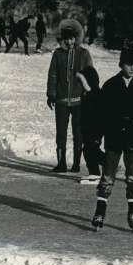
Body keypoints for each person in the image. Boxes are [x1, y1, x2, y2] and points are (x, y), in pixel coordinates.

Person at [92, 49, 133, 230]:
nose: (132, 68)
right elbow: (100, 114)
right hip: (113, 137)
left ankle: (132, 213)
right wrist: (96, 137)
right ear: (121, 64)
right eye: (129, 64)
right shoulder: (111, 85)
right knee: (107, 176)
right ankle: (100, 211)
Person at [45, 22, 93, 172]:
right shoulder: (58, 54)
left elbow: (90, 76)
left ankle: (76, 163)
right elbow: (52, 75)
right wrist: (51, 94)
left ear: (76, 38)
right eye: (66, 39)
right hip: (61, 101)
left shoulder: (84, 54)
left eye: (72, 38)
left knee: (78, 133)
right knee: (61, 133)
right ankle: (61, 163)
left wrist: (88, 94)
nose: (69, 42)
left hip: (79, 101)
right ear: (62, 39)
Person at [77, 65, 104, 181]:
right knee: (91, 149)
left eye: (82, 82)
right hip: (88, 128)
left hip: (95, 129)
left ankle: (96, 172)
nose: (80, 85)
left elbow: (98, 115)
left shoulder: (96, 94)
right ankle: (108, 165)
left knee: (90, 150)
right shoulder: (87, 95)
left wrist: (97, 132)